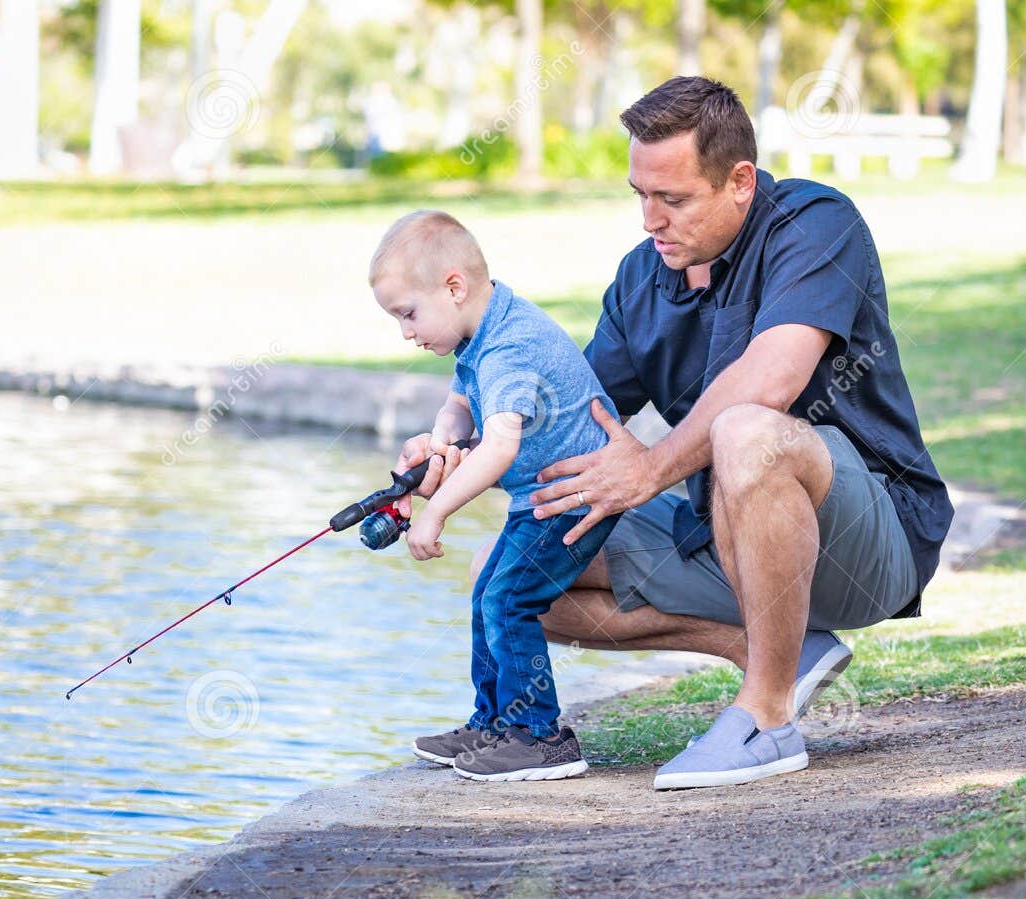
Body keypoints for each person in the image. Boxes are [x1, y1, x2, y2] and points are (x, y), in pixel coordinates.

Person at [397, 77, 955, 791]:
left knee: (748, 432)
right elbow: (570, 419)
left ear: (740, 182)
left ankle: (767, 719)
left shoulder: (816, 224)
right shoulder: (641, 280)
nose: (650, 220)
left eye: (675, 199)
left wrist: (653, 467)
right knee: (511, 567)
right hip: (721, 534)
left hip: (870, 540)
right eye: (640, 195)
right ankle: (774, 648)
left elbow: (771, 379)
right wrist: (454, 453)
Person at [369, 210, 621, 782]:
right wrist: (438, 445)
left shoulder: (510, 346)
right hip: (541, 498)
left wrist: (435, 513)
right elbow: (461, 405)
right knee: (490, 592)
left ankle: (541, 736)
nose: (406, 332)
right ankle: (495, 723)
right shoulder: (480, 331)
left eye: (408, 314)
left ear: (453, 287)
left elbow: (500, 446)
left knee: (509, 601)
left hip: (572, 496)